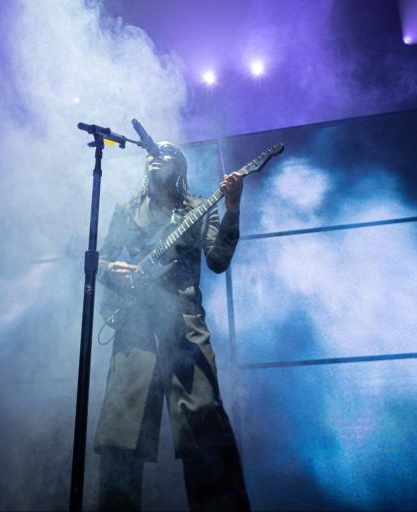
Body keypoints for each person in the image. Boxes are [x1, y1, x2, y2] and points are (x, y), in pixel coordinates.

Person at [94, 140, 251, 511]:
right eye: (152, 151)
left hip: (184, 326)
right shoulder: (126, 209)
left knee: (205, 429)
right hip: (133, 325)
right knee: (120, 435)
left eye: (166, 152)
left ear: (179, 167)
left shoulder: (198, 209)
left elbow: (218, 261)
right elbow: (99, 259)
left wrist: (232, 208)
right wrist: (108, 272)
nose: (156, 155)